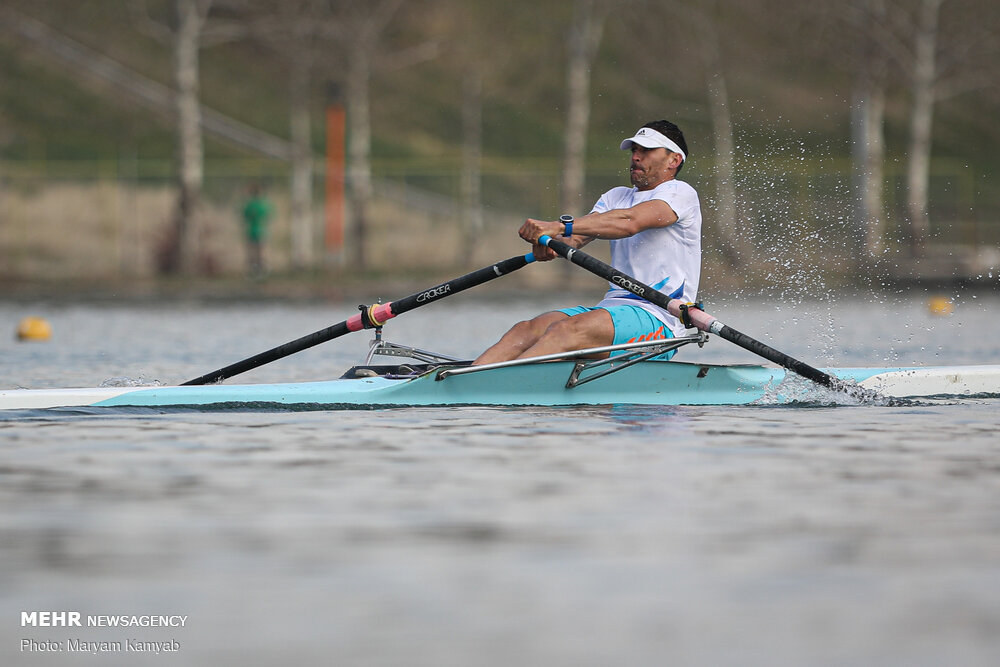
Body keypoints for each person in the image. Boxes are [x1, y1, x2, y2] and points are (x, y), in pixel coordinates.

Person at [473, 119, 702, 366]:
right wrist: (547, 243)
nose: (636, 157)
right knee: (525, 331)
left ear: (674, 160)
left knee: (566, 331)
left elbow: (630, 222)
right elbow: (571, 240)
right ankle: (464, 386)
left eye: (646, 151)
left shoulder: (680, 193)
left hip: (659, 319)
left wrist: (559, 225)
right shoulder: (616, 197)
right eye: (634, 150)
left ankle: (500, 385)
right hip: (613, 311)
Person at [241, 183, 273, 278]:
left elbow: (245, 216)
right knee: (261, 252)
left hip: (251, 231)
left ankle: (253, 270)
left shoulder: (249, 205)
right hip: (261, 231)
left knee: (252, 252)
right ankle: (261, 270)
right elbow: (269, 217)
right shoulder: (263, 205)